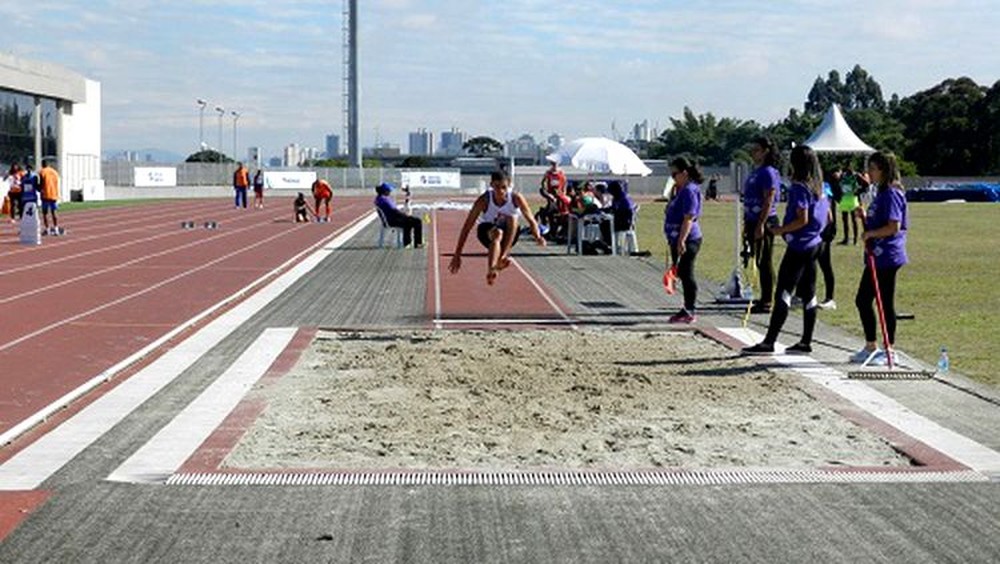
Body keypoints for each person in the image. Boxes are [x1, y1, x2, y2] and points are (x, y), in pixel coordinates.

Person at [742, 145, 830, 355]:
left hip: (800, 245)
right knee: (809, 293)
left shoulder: (799, 187)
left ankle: (769, 341)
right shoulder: (820, 187)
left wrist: (779, 230)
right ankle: (805, 341)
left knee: (783, 291)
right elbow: (827, 217)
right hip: (815, 243)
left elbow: (802, 219)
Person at [850, 151, 909, 366]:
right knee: (863, 300)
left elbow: (894, 226)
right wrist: (864, 217)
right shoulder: (881, 192)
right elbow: (879, 221)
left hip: (887, 256)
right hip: (876, 255)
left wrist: (871, 234)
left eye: (873, 169)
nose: (869, 173)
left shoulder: (892, 193)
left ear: (883, 170)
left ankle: (889, 349)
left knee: (884, 302)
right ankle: (871, 346)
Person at [448, 170, 545, 285]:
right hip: (486, 231)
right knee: (497, 233)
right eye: (497, 187)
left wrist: (538, 236)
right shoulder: (484, 200)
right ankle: (492, 268)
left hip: (510, 234)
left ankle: (501, 258)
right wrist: (457, 254)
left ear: (509, 185)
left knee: (512, 219)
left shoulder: (516, 198)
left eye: (504, 187)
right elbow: (467, 227)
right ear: (491, 185)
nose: (500, 191)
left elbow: (531, 220)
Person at [743, 136, 781, 314]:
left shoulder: (768, 172)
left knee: (765, 261)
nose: (753, 153)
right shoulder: (756, 171)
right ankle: (765, 296)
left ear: (765, 151)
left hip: (764, 221)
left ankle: (768, 299)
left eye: (756, 150)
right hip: (752, 219)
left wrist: (761, 224)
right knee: (758, 260)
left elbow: (769, 199)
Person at [663, 157, 704, 323]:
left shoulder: (689, 190)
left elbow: (689, 217)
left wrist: (681, 240)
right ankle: (686, 307)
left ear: (684, 173)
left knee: (687, 273)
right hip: (676, 238)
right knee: (680, 272)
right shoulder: (680, 190)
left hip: (688, 239)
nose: (673, 178)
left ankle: (690, 309)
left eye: (675, 174)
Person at [374, 182, 423, 248]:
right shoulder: (384, 200)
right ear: (385, 191)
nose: (390, 192)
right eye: (389, 190)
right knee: (417, 221)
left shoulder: (379, 198)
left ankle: (407, 243)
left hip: (390, 219)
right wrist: (405, 215)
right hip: (392, 220)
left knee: (409, 221)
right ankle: (417, 243)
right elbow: (394, 211)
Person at [838, 165, 862, 245]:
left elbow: (864, 185)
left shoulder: (855, 176)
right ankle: (847, 239)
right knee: (848, 220)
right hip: (846, 200)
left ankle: (854, 239)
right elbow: (840, 186)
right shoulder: (843, 177)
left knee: (852, 220)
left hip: (851, 200)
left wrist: (858, 191)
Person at [39, 160, 61, 235]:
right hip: (54, 194)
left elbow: (41, 183)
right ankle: (56, 229)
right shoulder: (55, 172)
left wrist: (39, 189)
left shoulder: (42, 172)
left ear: (42, 165)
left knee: (45, 213)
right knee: (54, 212)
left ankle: (47, 229)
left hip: (45, 194)